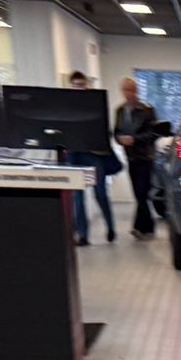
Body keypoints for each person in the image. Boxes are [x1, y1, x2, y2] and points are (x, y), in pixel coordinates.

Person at [62, 71, 120, 246]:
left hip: (94, 156)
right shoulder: (65, 108)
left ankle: (110, 227)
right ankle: (83, 235)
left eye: (81, 85)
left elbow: (106, 133)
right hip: (74, 155)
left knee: (100, 194)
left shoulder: (96, 107)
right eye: (75, 86)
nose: (78, 89)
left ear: (86, 86)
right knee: (77, 198)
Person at [114, 76, 166, 241]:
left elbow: (154, 133)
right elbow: (116, 131)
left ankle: (142, 227)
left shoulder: (146, 109)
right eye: (125, 90)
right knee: (138, 194)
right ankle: (144, 227)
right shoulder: (120, 111)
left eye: (131, 89)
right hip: (130, 156)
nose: (128, 93)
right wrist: (120, 139)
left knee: (142, 193)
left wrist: (135, 139)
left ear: (136, 91)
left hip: (145, 156)